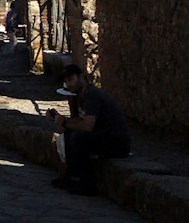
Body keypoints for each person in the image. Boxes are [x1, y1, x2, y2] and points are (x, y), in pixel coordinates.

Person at [44, 63, 130, 194]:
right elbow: (70, 125)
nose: (69, 84)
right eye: (66, 81)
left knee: (79, 138)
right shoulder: (80, 97)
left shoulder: (92, 95)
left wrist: (65, 122)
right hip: (102, 136)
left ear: (81, 77)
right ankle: (71, 177)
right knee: (70, 134)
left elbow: (87, 126)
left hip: (117, 142)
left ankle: (87, 184)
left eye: (71, 79)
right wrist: (59, 120)